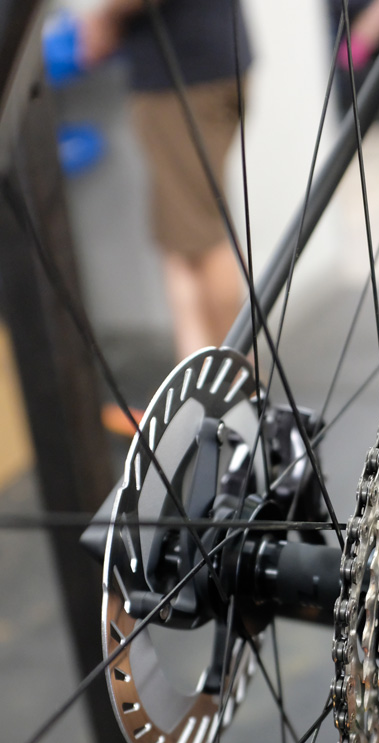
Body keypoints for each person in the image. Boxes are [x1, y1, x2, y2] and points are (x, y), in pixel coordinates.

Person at [77, 0, 252, 433]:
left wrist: (103, 18)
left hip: (183, 80)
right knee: (190, 235)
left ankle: (222, 394)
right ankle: (210, 389)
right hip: (210, 65)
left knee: (196, 239)